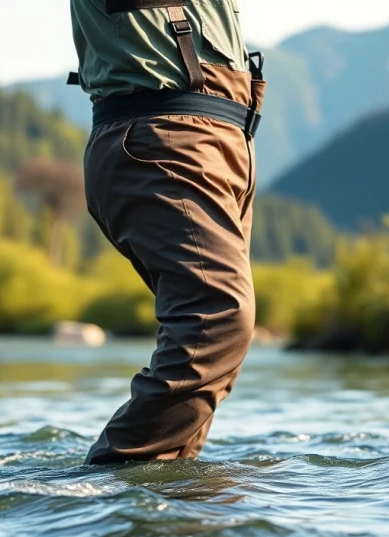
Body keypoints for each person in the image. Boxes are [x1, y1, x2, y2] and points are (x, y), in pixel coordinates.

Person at [69, 0, 266, 464]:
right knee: (217, 318)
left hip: (223, 139)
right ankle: (107, 485)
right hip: (165, 134)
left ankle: (175, 509)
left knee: (211, 352)